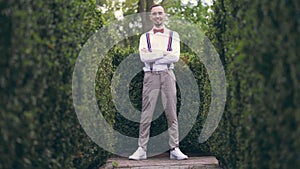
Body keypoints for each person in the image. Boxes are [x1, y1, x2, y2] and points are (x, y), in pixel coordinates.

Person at [129, 4, 188, 160]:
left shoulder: (173, 35)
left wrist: (153, 54)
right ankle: (141, 149)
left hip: (168, 74)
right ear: (151, 16)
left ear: (165, 15)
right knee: (146, 113)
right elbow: (144, 58)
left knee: (171, 112)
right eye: (154, 13)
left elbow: (174, 57)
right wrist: (163, 53)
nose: (157, 16)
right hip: (150, 75)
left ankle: (174, 148)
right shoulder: (145, 37)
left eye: (160, 13)